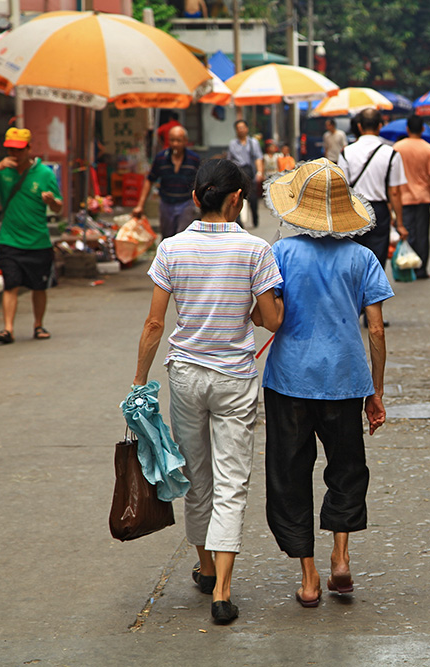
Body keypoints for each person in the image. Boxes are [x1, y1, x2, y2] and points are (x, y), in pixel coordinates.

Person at [132, 158, 284, 625]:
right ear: (237, 199)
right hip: (234, 377)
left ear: (196, 197)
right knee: (231, 480)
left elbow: (156, 322)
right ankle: (221, 588)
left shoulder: (171, 249)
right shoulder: (256, 250)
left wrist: (139, 383)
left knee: (196, 475)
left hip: (185, 376)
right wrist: (256, 311)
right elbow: (272, 320)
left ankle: (202, 563)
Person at [260, 157, 393, 608]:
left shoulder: (281, 253)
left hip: (289, 380)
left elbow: (268, 317)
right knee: (347, 469)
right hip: (345, 381)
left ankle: (309, 576)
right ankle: (340, 557)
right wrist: (375, 392)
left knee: (289, 475)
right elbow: (375, 330)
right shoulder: (363, 258)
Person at [0, 127, 62, 345]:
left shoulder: (45, 174)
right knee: (10, 284)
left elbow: (59, 207)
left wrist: (51, 202)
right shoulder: (3, 171)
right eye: (10, 150)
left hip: (38, 240)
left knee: (39, 287)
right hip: (9, 239)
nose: (15, 154)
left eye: (19, 150)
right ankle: (8, 328)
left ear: (29, 149)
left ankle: (38, 325)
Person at [337, 108, 408, 270]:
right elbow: (395, 192)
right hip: (379, 211)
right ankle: (373, 291)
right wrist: (401, 224)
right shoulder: (391, 154)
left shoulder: (346, 153)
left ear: (360, 126)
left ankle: (357, 292)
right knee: (377, 258)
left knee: (354, 256)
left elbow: (342, 188)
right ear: (380, 126)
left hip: (354, 209)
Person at [392, 115, 430, 280]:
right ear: (422, 129)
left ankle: (407, 268)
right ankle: (421, 270)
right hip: (423, 197)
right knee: (422, 236)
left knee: (407, 233)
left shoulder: (397, 148)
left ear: (407, 129)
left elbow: (392, 177)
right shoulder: (428, 149)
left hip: (402, 198)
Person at [133, 125, 201, 239]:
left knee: (183, 238)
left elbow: (200, 181)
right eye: (172, 140)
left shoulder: (194, 159)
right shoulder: (161, 158)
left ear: (185, 141)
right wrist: (140, 205)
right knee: (167, 238)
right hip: (166, 203)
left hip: (186, 203)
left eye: (178, 140)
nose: (175, 144)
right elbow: (150, 180)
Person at [226, 120, 263, 228]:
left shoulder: (253, 143)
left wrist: (260, 172)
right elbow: (230, 159)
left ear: (246, 129)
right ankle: (239, 221)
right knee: (237, 197)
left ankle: (255, 217)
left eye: (243, 127)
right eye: (239, 128)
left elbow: (258, 158)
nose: (241, 130)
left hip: (250, 173)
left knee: (252, 198)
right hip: (238, 173)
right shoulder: (232, 144)